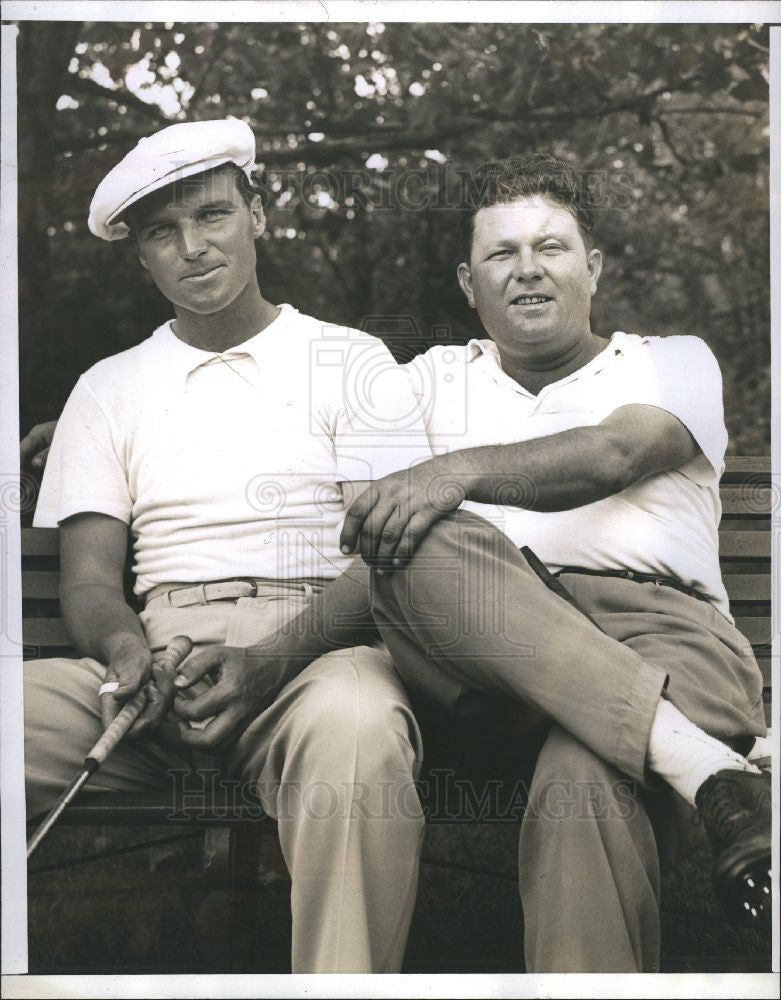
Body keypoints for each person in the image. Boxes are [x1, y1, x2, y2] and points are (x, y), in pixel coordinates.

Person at [23, 145, 771, 973]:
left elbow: (610, 454)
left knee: (580, 785)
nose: (527, 271)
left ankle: (691, 762)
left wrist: (452, 470)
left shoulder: (671, 361)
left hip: (652, 638)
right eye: (500, 253)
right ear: (466, 284)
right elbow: (305, 438)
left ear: (591, 265)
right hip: (495, 659)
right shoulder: (424, 382)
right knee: (419, 535)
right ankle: (709, 771)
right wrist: (86, 432)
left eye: (550, 248)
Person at [23, 117, 432, 974]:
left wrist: (274, 660)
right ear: (141, 258)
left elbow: (388, 562)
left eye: (211, 215)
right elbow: (91, 583)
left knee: (358, 729)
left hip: (318, 658)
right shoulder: (107, 387)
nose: (192, 247)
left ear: (257, 212)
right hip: (157, 675)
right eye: (162, 232)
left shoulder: (349, 361)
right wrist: (127, 651)